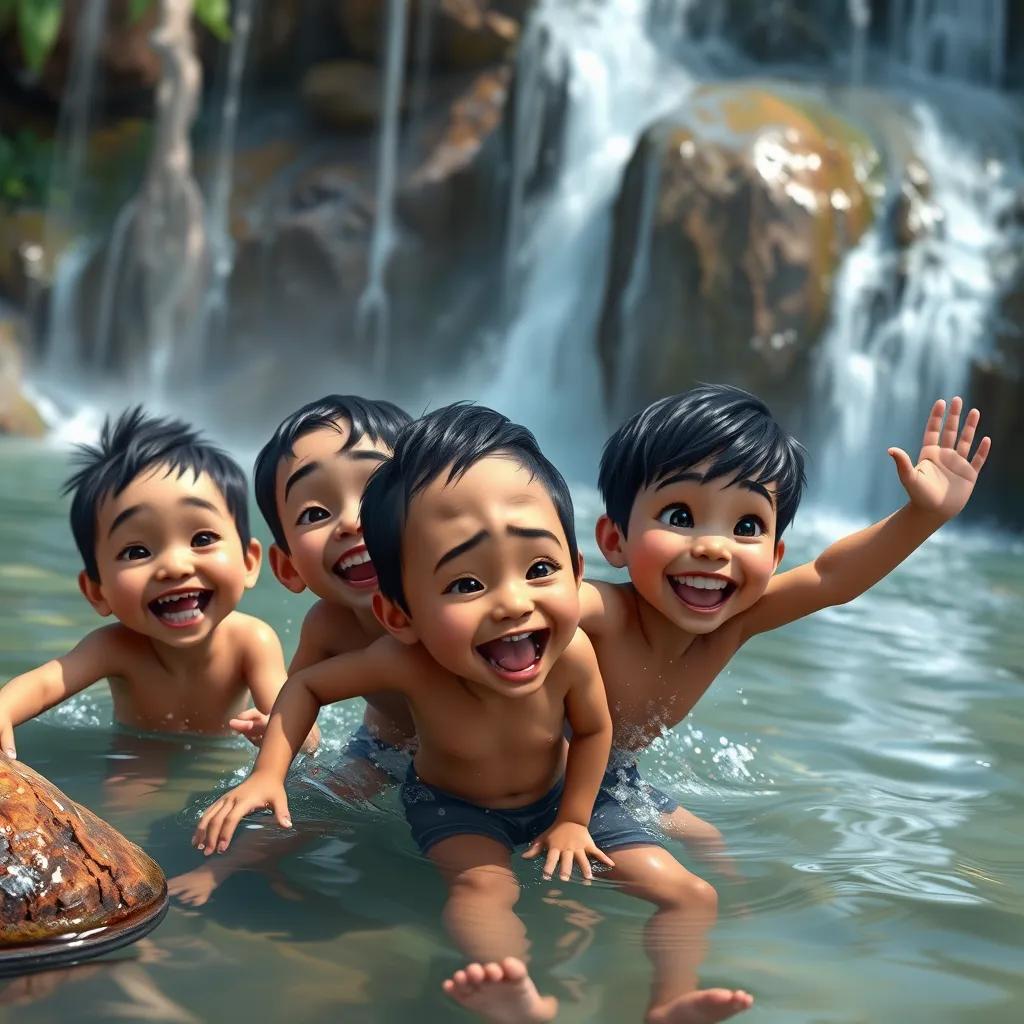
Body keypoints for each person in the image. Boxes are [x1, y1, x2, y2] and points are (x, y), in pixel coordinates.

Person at [195, 405, 748, 1024]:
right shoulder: (404, 661)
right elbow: (303, 690)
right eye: (465, 585)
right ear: (399, 615)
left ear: (577, 572)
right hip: (454, 807)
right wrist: (270, 773)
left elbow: (595, 730)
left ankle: (669, 1001)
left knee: (692, 894)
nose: (513, 603)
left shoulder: (573, 652)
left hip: (560, 793)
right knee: (483, 888)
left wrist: (572, 819)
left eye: (540, 570)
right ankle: (516, 994)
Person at [581, 385, 991, 849]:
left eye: (746, 527)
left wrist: (924, 515)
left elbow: (828, 577)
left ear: (775, 556)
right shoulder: (602, 613)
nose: (715, 547)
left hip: (611, 776)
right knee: (688, 896)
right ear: (615, 541)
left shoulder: (731, 627)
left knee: (711, 844)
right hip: (532, 776)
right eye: (680, 516)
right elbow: (531, 598)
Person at [170, 394, 411, 906]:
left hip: (490, 755)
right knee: (302, 806)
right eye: (316, 511)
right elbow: (298, 701)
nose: (350, 521)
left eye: (375, 491)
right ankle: (221, 872)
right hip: (384, 751)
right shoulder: (329, 624)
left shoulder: (459, 608)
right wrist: (274, 751)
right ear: (288, 569)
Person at [0, 407, 290, 756]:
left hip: (220, 759)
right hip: (137, 754)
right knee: (125, 802)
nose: (175, 566)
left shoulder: (252, 641)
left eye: (201, 539)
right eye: (136, 551)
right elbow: (46, 683)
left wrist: (277, 730)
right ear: (97, 591)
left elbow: (299, 729)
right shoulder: (115, 648)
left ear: (248, 562)